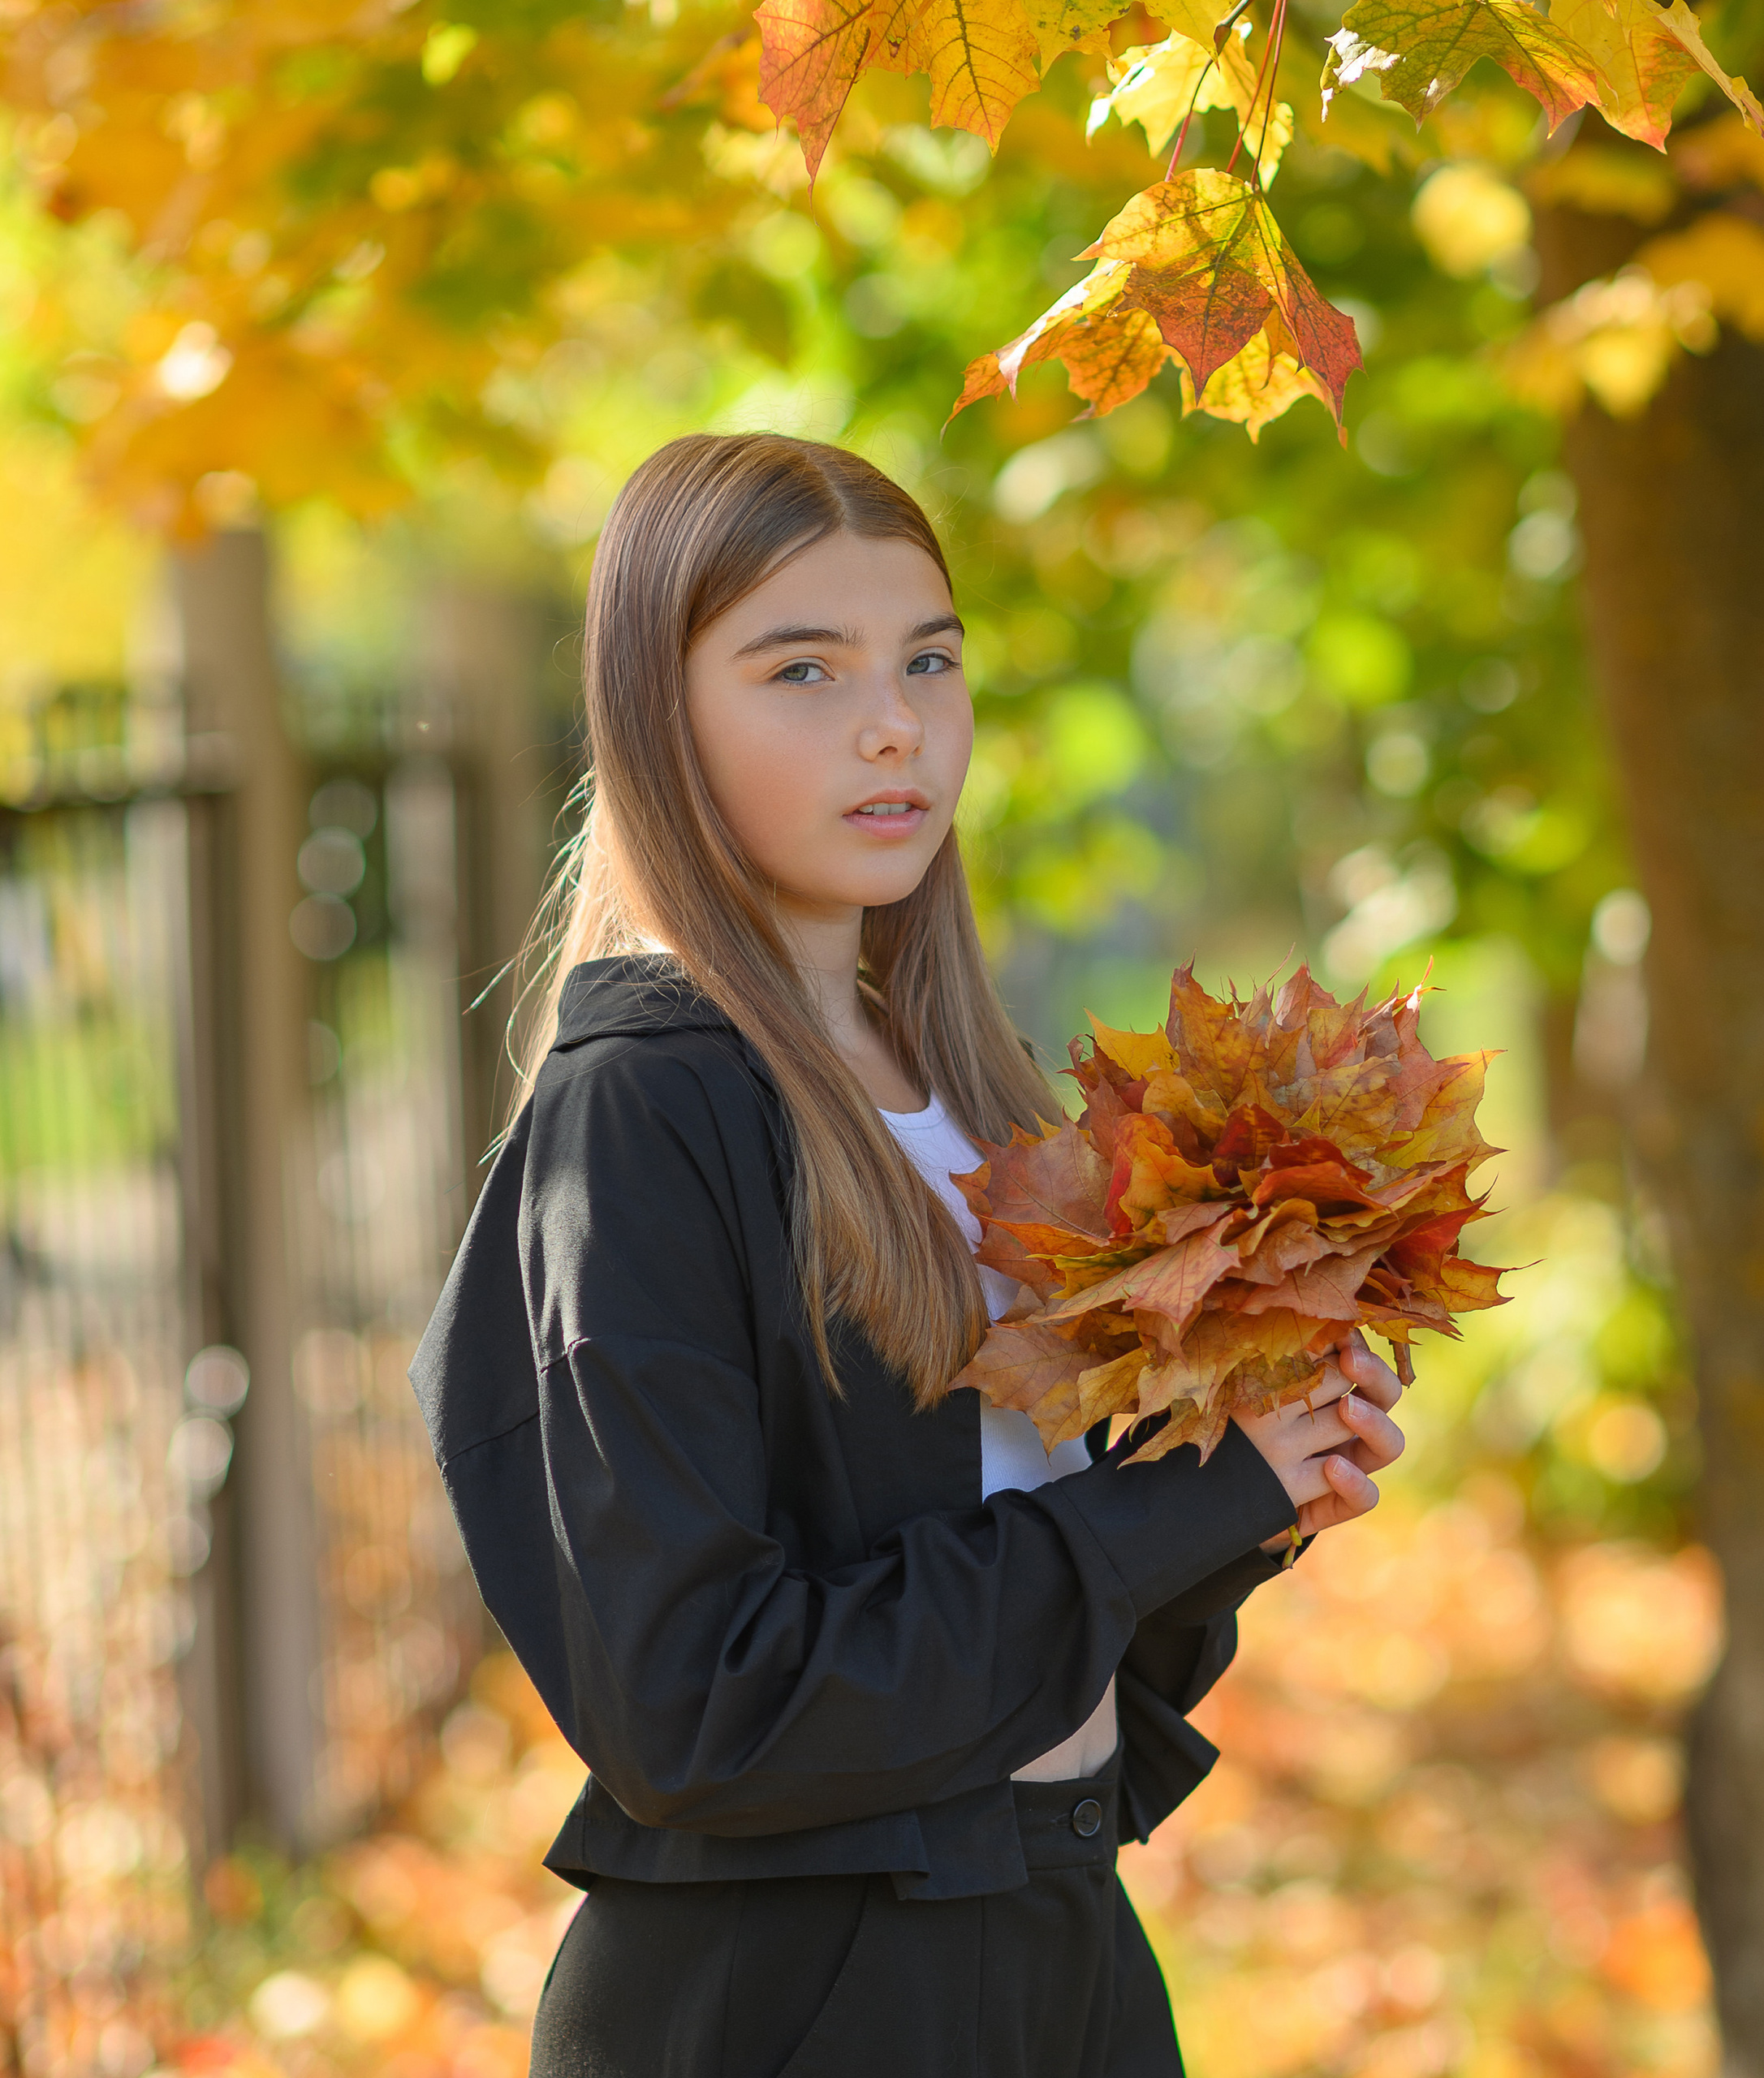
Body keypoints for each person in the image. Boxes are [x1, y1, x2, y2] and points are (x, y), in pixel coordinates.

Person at [409, 431, 1407, 2078]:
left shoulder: (963, 1089)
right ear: (659, 715)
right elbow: (698, 1700)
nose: (893, 722)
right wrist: (1159, 1512)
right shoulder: (647, 1106)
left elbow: (1042, 1576)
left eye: (927, 660)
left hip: (1057, 1938)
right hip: (808, 1993)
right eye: (800, 667)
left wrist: (1247, 1481)